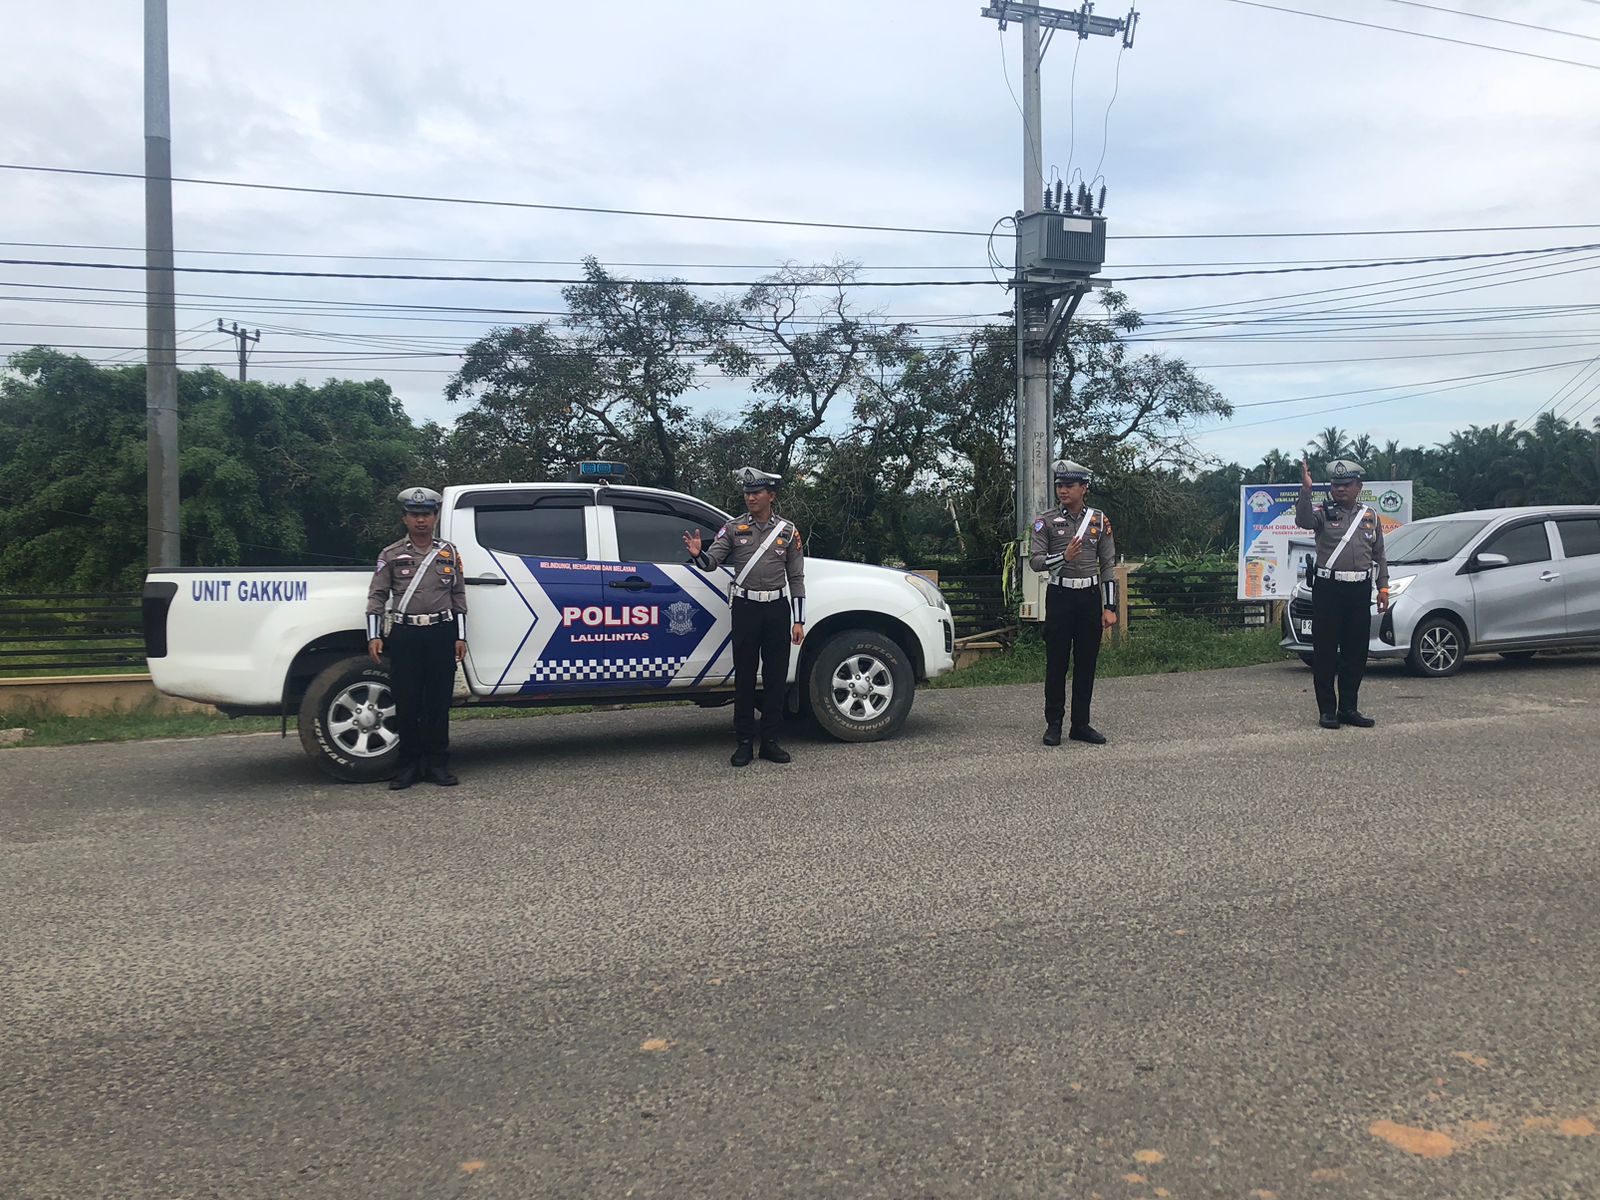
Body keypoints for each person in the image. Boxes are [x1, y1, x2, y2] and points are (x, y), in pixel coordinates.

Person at [683, 467, 806, 767]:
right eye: (747, 493)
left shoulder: (788, 532)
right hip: (746, 609)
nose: (750, 497)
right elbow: (712, 563)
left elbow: (797, 577)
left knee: (776, 678)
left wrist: (799, 620)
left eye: (756, 493)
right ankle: (743, 742)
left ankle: (771, 742)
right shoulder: (733, 528)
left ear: (771, 496)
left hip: (777, 609)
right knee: (745, 679)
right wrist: (699, 553)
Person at [365, 486, 468, 789]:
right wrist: (374, 636)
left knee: (438, 703)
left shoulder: (448, 553)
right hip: (406, 634)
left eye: (426, 514)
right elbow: (377, 596)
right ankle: (408, 766)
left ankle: (437, 764)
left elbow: (458, 595)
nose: (420, 520)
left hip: (440, 632)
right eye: (414, 515)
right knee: (407, 702)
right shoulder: (391, 554)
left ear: (435, 517)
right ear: (405, 519)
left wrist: (460, 637)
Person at [1028, 459, 1118, 746]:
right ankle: (1053, 724)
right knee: (1057, 663)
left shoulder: (1098, 520)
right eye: (1059, 485)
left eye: (1068, 485)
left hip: (1090, 598)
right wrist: (1063, 557)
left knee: (1086, 663)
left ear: (1084, 488)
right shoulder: (1046, 521)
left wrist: (1110, 606)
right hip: (1061, 596)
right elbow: (1035, 561)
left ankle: (1081, 724)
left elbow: (1108, 564)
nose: (1062, 490)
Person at [1297, 457, 1389, 729]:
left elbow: (1379, 554)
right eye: (1336, 485)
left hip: (1360, 589)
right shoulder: (1323, 513)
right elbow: (1303, 521)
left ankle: (1349, 708)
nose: (1339, 489)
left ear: (1358, 486)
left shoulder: (1370, 516)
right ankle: (1327, 711)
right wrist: (1306, 490)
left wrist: (1383, 586)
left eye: (1346, 484)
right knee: (1325, 652)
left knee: (1355, 652)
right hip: (1329, 589)